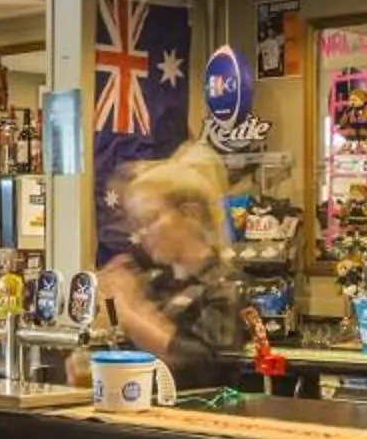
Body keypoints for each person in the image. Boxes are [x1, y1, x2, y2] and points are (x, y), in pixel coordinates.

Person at [96, 143, 253, 391]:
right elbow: (133, 358)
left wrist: (128, 314)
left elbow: (198, 363)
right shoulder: (155, 284)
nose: (142, 233)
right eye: (138, 223)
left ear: (190, 214)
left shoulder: (226, 285)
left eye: (151, 219)